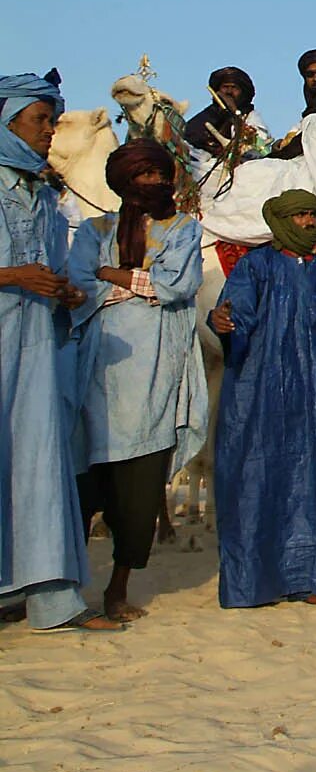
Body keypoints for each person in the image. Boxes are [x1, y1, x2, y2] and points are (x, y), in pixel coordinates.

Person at [0, 71, 123, 632]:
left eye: (52, 121)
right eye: (39, 120)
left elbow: (48, 271)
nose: (48, 131)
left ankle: (51, 597)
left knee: (39, 466)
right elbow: (22, 271)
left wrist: (65, 292)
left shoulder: (46, 198)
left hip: (36, 349)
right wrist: (13, 274)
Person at [208, 189, 316, 609]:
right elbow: (234, 313)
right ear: (281, 220)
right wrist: (222, 322)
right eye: (301, 215)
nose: (310, 223)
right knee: (254, 480)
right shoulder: (254, 266)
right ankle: (252, 585)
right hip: (257, 390)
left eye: (314, 215)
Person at [67, 140, 207, 620]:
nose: (152, 183)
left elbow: (177, 284)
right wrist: (135, 284)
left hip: (155, 370)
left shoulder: (185, 230)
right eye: (142, 175)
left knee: (139, 487)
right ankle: (66, 590)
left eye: (158, 174)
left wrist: (113, 276)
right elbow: (79, 285)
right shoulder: (94, 229)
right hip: (98, 369)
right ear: (125, 181)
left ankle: (117, 589)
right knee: (85, 482)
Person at [196, 50, 316, 245]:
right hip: (303, 160)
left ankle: (224, 227)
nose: (315, 79)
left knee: (253, 174)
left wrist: (278, 155)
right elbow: (302, 133)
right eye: (310, 75)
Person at [184, 65, 270, 158]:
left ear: (243, 92)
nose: (229, 91)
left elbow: (256, 149)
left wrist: (234, 112)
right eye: (225, 87)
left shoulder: (251, 117)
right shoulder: (207, 115)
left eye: (234, 87)